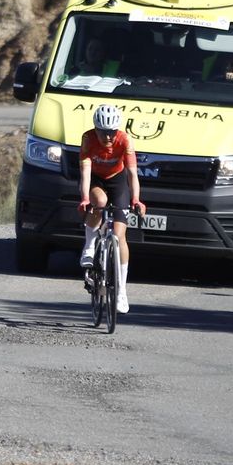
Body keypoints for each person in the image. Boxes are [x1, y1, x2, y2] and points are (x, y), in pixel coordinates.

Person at [78, 103, 145, 314]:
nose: (107, 137)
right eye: (103, 132)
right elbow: (85, 173)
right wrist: (84, 198)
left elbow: (133, 174)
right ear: (95, 128)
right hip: (96, 180)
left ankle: (122, 291)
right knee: (99, 202)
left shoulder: (125, 140)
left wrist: (136, 199)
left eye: (111, 132)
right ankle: (89, 247)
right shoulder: (88, 139)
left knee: (119, 235)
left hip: (118, 182)